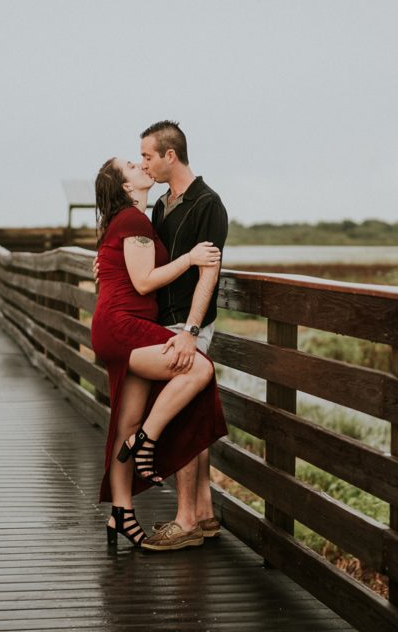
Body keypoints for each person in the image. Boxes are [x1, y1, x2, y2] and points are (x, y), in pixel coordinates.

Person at [91, 156, 228, 552]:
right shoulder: (134, 221)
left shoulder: (131, 219)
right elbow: (144, 280)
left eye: (141, 159)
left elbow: (116, 267)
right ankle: (147, 440)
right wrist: (190, 258)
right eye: (133, 166)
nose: (141, 166)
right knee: (198, 368)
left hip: (118, 325)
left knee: (125, 422)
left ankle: (121, 512)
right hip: (124, 326)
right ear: (124, 186)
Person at [138, 120, 229, 550]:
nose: (144, 164)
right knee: (191, 410)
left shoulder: (209, 204)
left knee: (184, 416)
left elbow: (208, 273)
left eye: (148, 156)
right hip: (164, 321)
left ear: (170, 155)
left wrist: (192, 331)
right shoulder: (161, 205)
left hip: (189, 325)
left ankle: (186, 520)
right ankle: (205, 512)